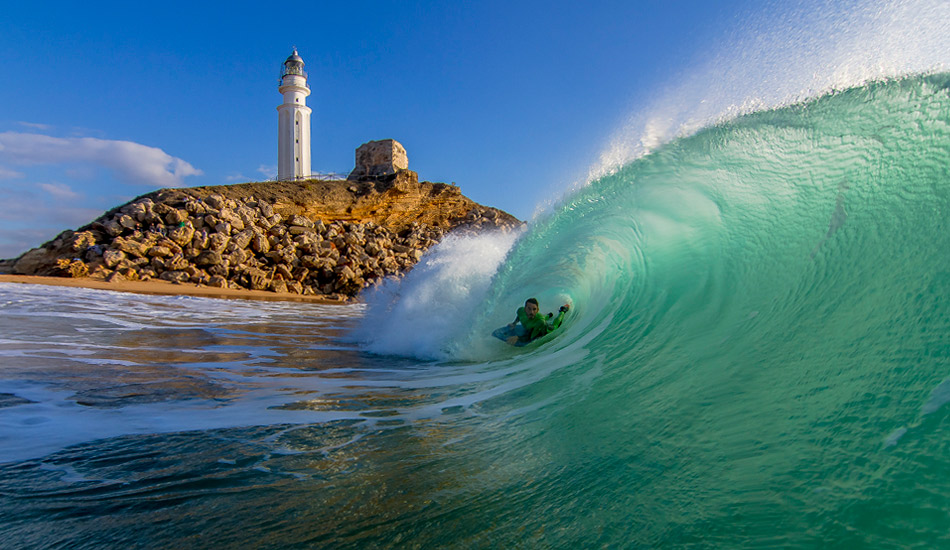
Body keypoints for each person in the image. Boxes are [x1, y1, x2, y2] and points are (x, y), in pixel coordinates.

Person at [495, 298, 570, 346]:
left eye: (534, 309)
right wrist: (514, 323)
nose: (531, 312)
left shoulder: (540, 321)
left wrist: (518, 338)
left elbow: (531, 337)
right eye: (529, 309)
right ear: (525, 309)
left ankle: (563, 311)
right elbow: (519, 316)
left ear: (537, 310)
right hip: (535, 323)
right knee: (539, 318)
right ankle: (549, 315)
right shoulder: (520, 311)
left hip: (545, 329)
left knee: (555, 325)